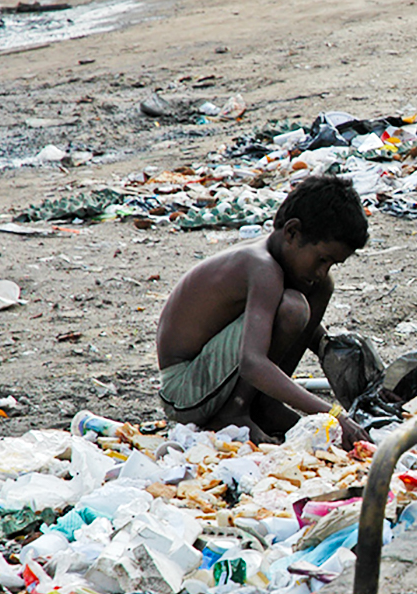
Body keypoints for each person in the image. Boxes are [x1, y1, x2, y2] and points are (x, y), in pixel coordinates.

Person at [156, 175, 369, 443]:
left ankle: (264, 405)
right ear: (292, 232)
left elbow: (312, 334)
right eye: (322, 259)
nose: (322, 270)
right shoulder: (262, 267)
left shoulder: (291, 269)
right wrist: (335, 414)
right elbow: (252, 363)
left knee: (319, 289)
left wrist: (368, 382)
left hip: (211, 380)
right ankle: (235, 412)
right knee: (293, 309)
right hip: (184, 391)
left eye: (332, 263)